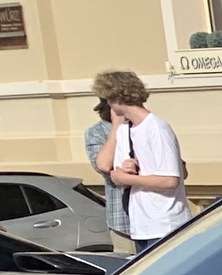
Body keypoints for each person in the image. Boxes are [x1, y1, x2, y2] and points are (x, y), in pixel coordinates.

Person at [89, 69, 192, 253]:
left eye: (109, 100)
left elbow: (171, 180)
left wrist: (127, 179)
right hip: (140, 227)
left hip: (166, 225)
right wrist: (124, 172)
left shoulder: (157, 128)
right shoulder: (124, 130)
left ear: (117, 99)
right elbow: (111, 171)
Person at [82, 100, 128, 249]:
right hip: (125, 223)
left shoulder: (144, 126)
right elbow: (104, 166)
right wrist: (117, 127)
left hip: (155, 221)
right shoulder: (96, 132)